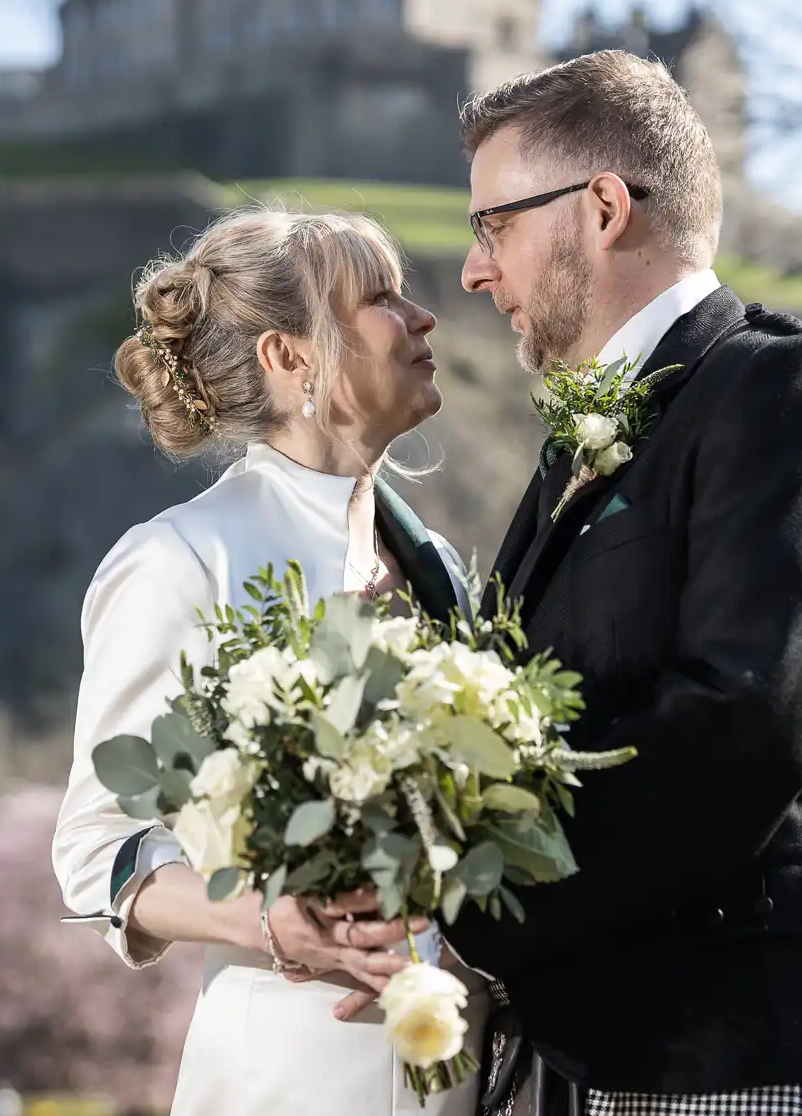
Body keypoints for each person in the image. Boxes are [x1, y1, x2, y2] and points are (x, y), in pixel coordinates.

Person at [407, 50, 802, 1114]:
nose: (473, 271)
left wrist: (471, 899)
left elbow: (746, 719)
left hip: (760, 1061)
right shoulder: (574, 446)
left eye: (493, 226)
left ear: (601, 208)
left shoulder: (781, 389)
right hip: (593, 1063)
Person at [51, 207, 490, 1116]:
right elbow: (97, 850)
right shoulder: (181, 557)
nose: (422, 318)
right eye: (380, 297)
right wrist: (268, 920)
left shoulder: (440, 565)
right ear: (290, 357)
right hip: (292, 1071)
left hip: (465, 1071)